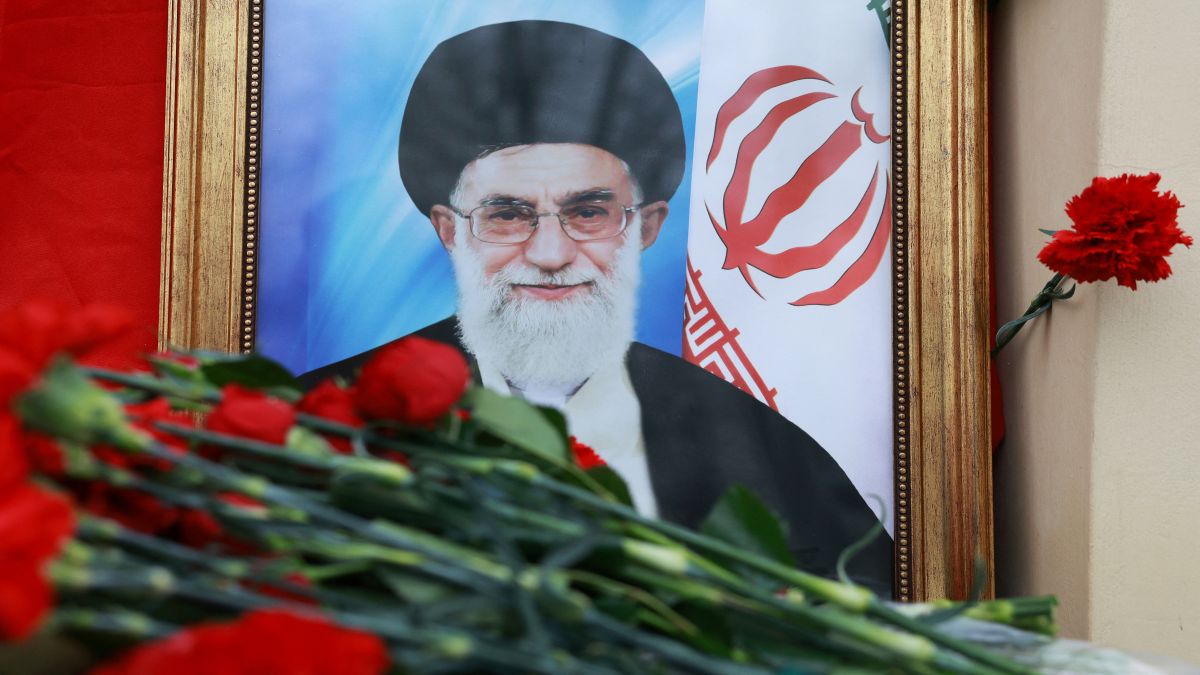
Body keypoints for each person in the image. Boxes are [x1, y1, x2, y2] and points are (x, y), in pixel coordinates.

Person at [300, 20, 892, 593]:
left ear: (645, 227)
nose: (551, 253)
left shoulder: (756, 446)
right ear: (451, 231)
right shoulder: (327, 418)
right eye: (507, 214)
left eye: (588, 212)